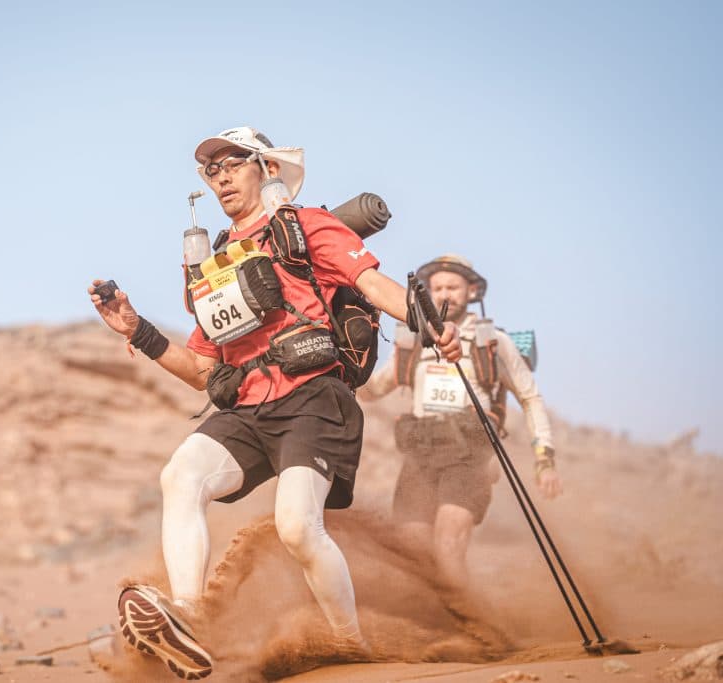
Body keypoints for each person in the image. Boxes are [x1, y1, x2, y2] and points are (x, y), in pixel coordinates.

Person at [88, 127, 461, 679]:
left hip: (314, 398)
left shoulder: (306, 225)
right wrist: (136, 328)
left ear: (266, 169)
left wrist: (429, 324)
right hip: (246, 406)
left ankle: (349, 645)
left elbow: (373, 284)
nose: (220, 178)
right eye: (211, 170)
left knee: (296, 527)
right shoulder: (215, 263)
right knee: (181, 476)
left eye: (233, 163)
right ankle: (187, 617)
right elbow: (201, 372)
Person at [362, 254, 561, 590]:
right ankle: (428, 617)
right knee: (412, 551)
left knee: (448, 545)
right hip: (420, 454)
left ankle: (466, 617)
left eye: (453, 287)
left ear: (472, 291)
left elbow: (530, 398)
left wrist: (545, 459)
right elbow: (372, 390)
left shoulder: (493, 342)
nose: (444, 294)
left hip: (470, 455)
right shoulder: (412, 341)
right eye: (437, 287)